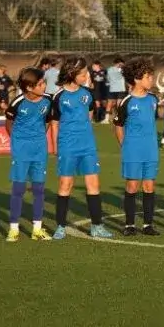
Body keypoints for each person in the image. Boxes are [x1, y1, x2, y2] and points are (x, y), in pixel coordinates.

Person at [50, 58, 112, 239]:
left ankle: (97, 226)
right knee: (65, 185)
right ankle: (60, 226)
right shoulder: (58, 97)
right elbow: (54, 124)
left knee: (93, 185)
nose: (86, 77)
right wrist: (55, 147)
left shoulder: (88, 94)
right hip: (67, 146)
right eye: (83, 74)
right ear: (72, 74)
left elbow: (89, 115)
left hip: (87, 146)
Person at [114, 58, 162, 236]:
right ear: (136, 79)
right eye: (148, 77)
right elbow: (118, 126)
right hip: (132, 150)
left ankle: (148, 225)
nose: (152, 79)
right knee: (132, 186)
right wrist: (125, 146)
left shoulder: (153, 99)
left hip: (150, 149)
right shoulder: (126, 101)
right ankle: (129, 225)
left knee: (149, 186)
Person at [5, 68, 54, 242]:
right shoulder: (18, 102)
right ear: (29, 88)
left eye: (43, 82)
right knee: (18, 188)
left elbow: (48, 120)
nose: (44, 86)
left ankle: (37, 229)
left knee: (39, 189)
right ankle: (13, 228)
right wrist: (18, 142)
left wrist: (39, 137)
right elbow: (9, 123)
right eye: (40, 84)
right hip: (21, 148)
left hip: (39, 148)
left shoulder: (49, 100)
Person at [105, 59, 126, 124]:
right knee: (109, 103)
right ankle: (106, 119)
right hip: (113, 89)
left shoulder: (123, 70)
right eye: (120, 64)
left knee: (119, 104)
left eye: (122, 64)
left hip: (121, 89)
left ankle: (119, 119)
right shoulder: (110, 69)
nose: (122, 65)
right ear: (117, 64)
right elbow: (108, 79)